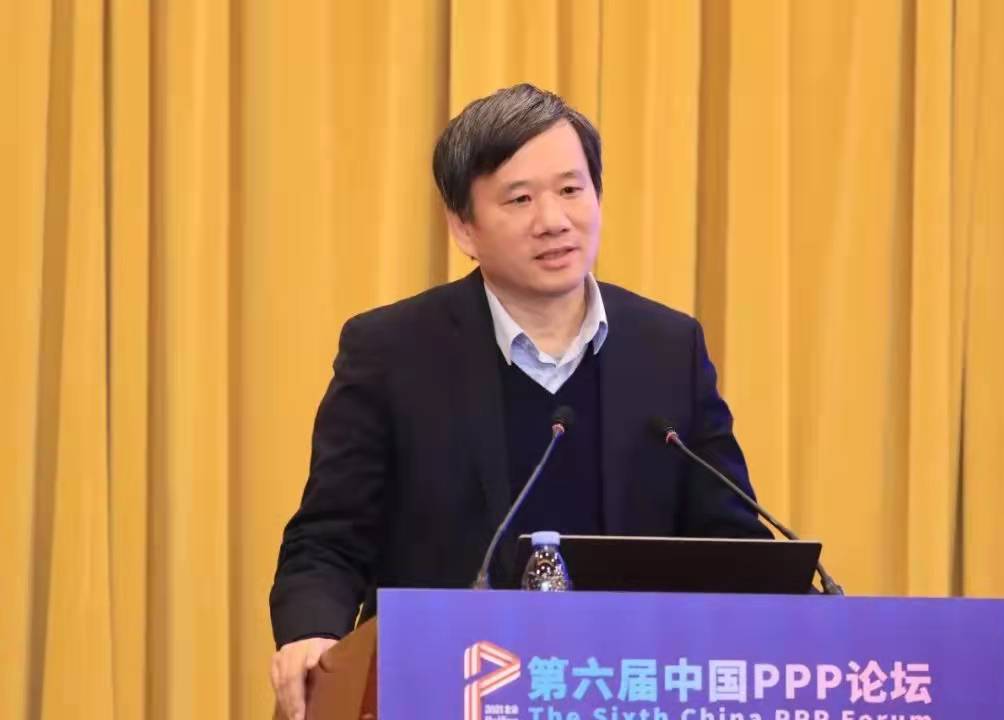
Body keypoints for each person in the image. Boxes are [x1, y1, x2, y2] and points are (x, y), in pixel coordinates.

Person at [268, 83, 771, 719]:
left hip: (626, 693)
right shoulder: (393, 352)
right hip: (446, 690)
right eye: (520, 199)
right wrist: (313, 633)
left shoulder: (667, 347)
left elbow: (731, 544)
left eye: (571, 189)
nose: (553, 220)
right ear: (463, 227)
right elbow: (329, 538)